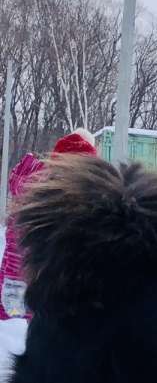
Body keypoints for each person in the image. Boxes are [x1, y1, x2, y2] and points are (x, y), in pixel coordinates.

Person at [1, 128, 97, 320]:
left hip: (12, 280)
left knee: (10, 329)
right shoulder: (63, 196)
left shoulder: (31, 185)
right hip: (41, 289)